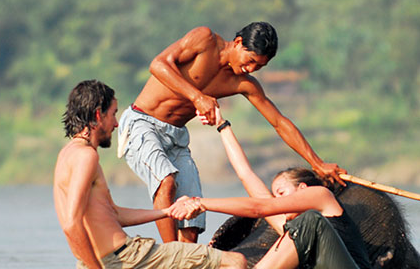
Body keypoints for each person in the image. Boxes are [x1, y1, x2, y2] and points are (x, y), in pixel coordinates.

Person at [118, 22, 346, 244]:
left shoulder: (243, 83)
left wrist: (316, 163)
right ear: (238, 42)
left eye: (259, 67)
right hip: (142, 122)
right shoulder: (204, 39)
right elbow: (158, 65)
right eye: (250, 61)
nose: (251, 69)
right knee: (166, 181)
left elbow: (279, 122)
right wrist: (197, 97)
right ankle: (170, 255)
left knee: (194, 211)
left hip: (176, 136)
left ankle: (185, 259)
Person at [53, 80, 247, 269]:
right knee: (235, 264)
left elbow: (113, 215)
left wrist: (167, 212)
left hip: (91, 264)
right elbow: (71, 223)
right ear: (97, 115)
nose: (115, 124)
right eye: (113, 115)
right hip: (122, 258)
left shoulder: (68, 154)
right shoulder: (86, 157)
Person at [170, 108, 382, 269]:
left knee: (311, 221)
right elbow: (246, 174)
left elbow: (259, 208)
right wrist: (222, 125)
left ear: (302, 189)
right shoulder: (292, 229)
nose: (278, 200)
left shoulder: (322, 197)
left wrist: (201, 203)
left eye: (281, 193)